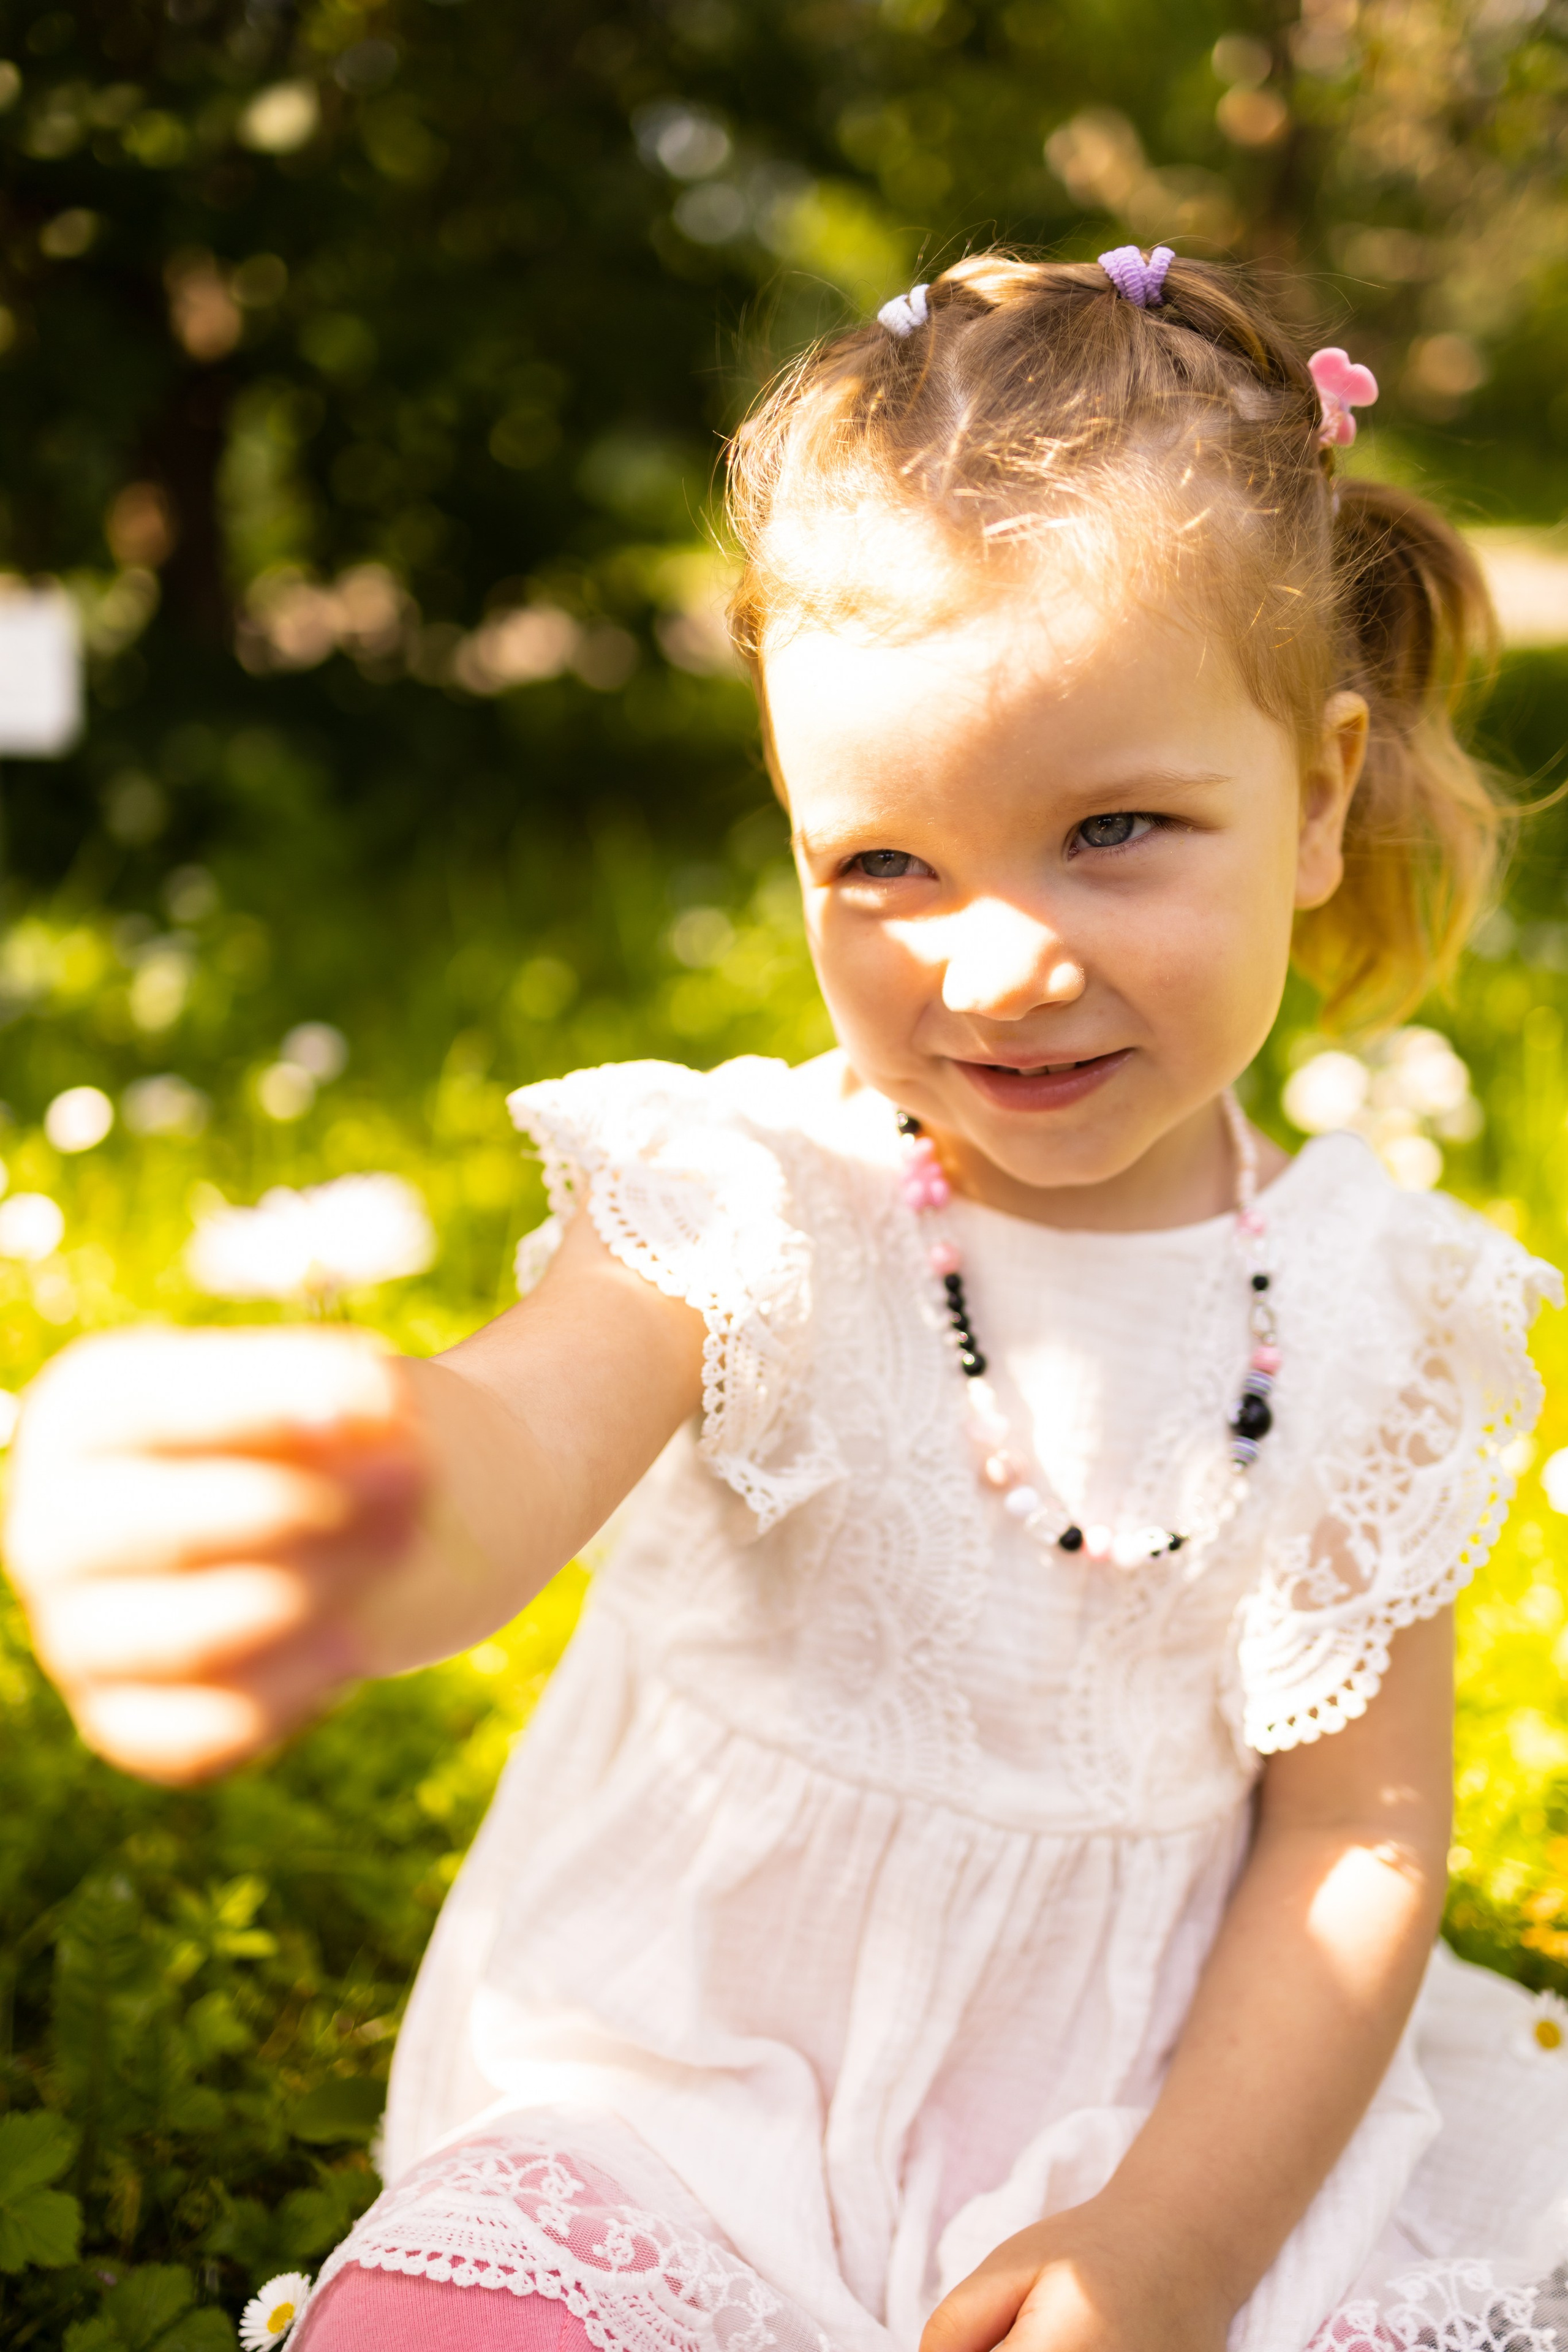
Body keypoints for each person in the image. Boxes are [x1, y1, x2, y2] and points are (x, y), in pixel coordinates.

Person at [9, 246, 1568, 2352]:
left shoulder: (1386, 1316)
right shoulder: (755, 1204)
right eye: (886, 865)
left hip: (1171, 2119)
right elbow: (510, 1446)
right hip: (681, 2101)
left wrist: (1173, 2249)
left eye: (1114, 829)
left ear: (1315, 799)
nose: (996, 967)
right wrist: (363, 1489)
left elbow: (1354, 1847)